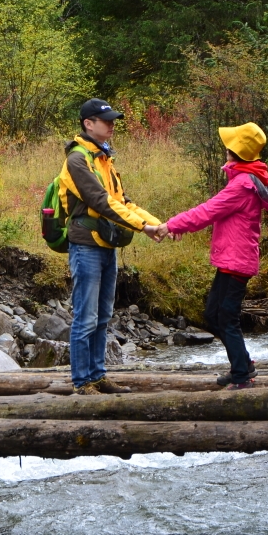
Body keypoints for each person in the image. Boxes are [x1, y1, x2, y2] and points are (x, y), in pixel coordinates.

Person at [158, 122, 268, 389]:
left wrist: (172, 225)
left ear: (235, 152)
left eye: (228, 147)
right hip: (231, 261)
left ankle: (241, 376)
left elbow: (208, 211)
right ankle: (243, 364)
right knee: (214, 315)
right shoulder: (246, 179)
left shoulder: (243, 185)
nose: (225, 150)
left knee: (226, 317)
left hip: (237, 262)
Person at [59, 98, 163, 396]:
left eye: (113, 119)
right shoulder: (77, 160)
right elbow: (101, 203)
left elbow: (123, 201)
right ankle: (82, 383)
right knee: (86, 317)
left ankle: (98, 376)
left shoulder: (104, 158)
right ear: (88, 123)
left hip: (106, 245)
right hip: (86, 246)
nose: (112, 124)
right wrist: (144, 228)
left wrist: (157, 224)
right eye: (106, 120)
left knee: (103, 316)